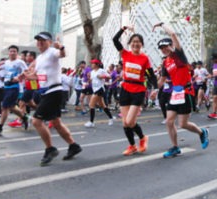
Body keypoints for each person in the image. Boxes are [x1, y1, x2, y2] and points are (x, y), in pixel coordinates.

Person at [150, 24, 209, 158]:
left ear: (171, 45)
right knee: (169, 121)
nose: (164, 49)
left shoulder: (179, 55)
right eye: (161, 48)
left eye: (166, 46)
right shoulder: (165, 63)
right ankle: (175, 147)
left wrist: (161, 25)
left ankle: (202, 132)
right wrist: (154, 90)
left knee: (183, 124)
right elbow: (162, 80)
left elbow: (173, 34)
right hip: (175, 94)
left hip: (186, 92)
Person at [27, 31, 82, 166]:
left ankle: (50, 149)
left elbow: (62, 54)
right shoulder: (40, 58)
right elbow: (38, 76)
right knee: (56, 123)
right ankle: (73, 146)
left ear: (49, 42)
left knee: (36, 121)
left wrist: (61, 47)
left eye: (43, 40)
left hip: (54, 91)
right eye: (38, 40)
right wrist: (23, 77)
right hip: (46, 92)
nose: (40, 42)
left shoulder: (52, 52)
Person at [113, 26, 156, 156]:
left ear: (141, 44)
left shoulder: (145, 58)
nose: (136, 43)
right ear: (130, 44)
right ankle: (132, 146)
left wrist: (156, 89)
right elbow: (115, 39)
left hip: (138, 90)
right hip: (125, 89)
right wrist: (123, 28)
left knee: (130, 121)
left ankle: (142, 138)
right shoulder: (125, 54)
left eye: (138, 42)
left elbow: (151, 75)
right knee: (125, 123)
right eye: (133, 41)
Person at [0, 45, 30, 135]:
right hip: (5, 87)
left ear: (17, 53)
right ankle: (24, 117)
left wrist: (19, 77)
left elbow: (27, 71)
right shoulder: (6, 62)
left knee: (4, 107)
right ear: (8, 52)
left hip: (14, 87)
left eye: (14, 51)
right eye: (11, 51)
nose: (12, 52)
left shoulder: (20, 62)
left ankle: (0, 127)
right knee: (12, 107)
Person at [84, 59, 115, 127]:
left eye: (93, 63)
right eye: (91, 63)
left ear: (97, 64)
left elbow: (109, 77)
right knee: (103, 105)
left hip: (100, 89)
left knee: (91, 104)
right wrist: (88, 80)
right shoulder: (92, 72)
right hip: (95, 89)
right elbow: (92, 80)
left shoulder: (101, 70)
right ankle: (111, 118)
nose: (92, 65)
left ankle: (91, 122)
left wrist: (102, 77)